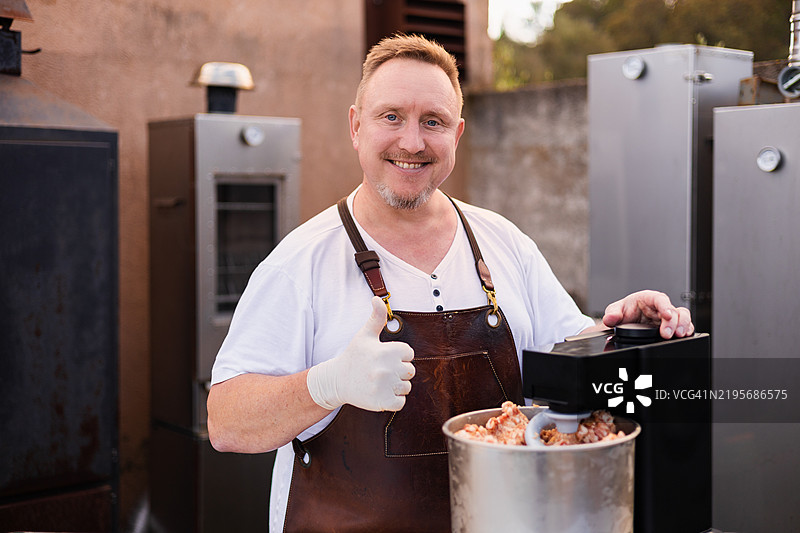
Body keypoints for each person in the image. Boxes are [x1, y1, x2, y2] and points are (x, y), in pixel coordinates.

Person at [206, 33, 694, 532]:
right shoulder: (300, 262)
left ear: (456, 135)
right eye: (391, 116)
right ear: (356, 126)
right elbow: (225, 422)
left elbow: (570, 359)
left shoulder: (505, 243)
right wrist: (327, 384)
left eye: (432, 122)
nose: (412, 142)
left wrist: (623, 335)